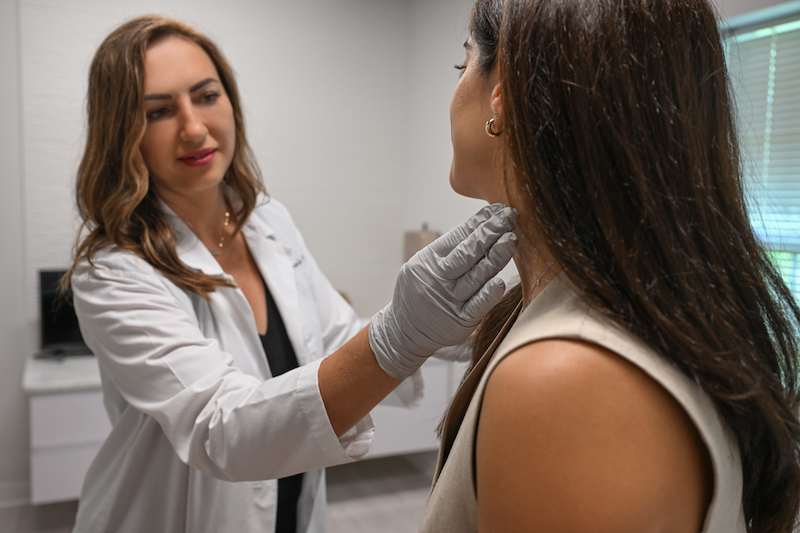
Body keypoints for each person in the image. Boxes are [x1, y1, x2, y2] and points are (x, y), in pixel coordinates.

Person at [64, 14, 517, 533]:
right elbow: (220, 427)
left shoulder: (267, 222)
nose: (193, 127)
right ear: (124, 132)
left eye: (207, 95)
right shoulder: (113, 272)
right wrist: (401, 335)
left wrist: (471, 324)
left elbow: (338, 337)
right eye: (160, 111)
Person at [419, 0, 800, 532]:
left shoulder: (568, 382)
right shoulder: (605, 317)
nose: (456, 89)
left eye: (464, 66)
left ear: (500, 92)